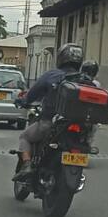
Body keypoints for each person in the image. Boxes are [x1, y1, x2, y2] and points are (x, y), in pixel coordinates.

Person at [13, 43, 84, 182]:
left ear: (61, 58)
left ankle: (27, 165)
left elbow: (32, 94)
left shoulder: (52, 75)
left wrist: (23, 101)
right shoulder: (85, 79)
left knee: (25, 137)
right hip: (79, 128)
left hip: (50, 123)